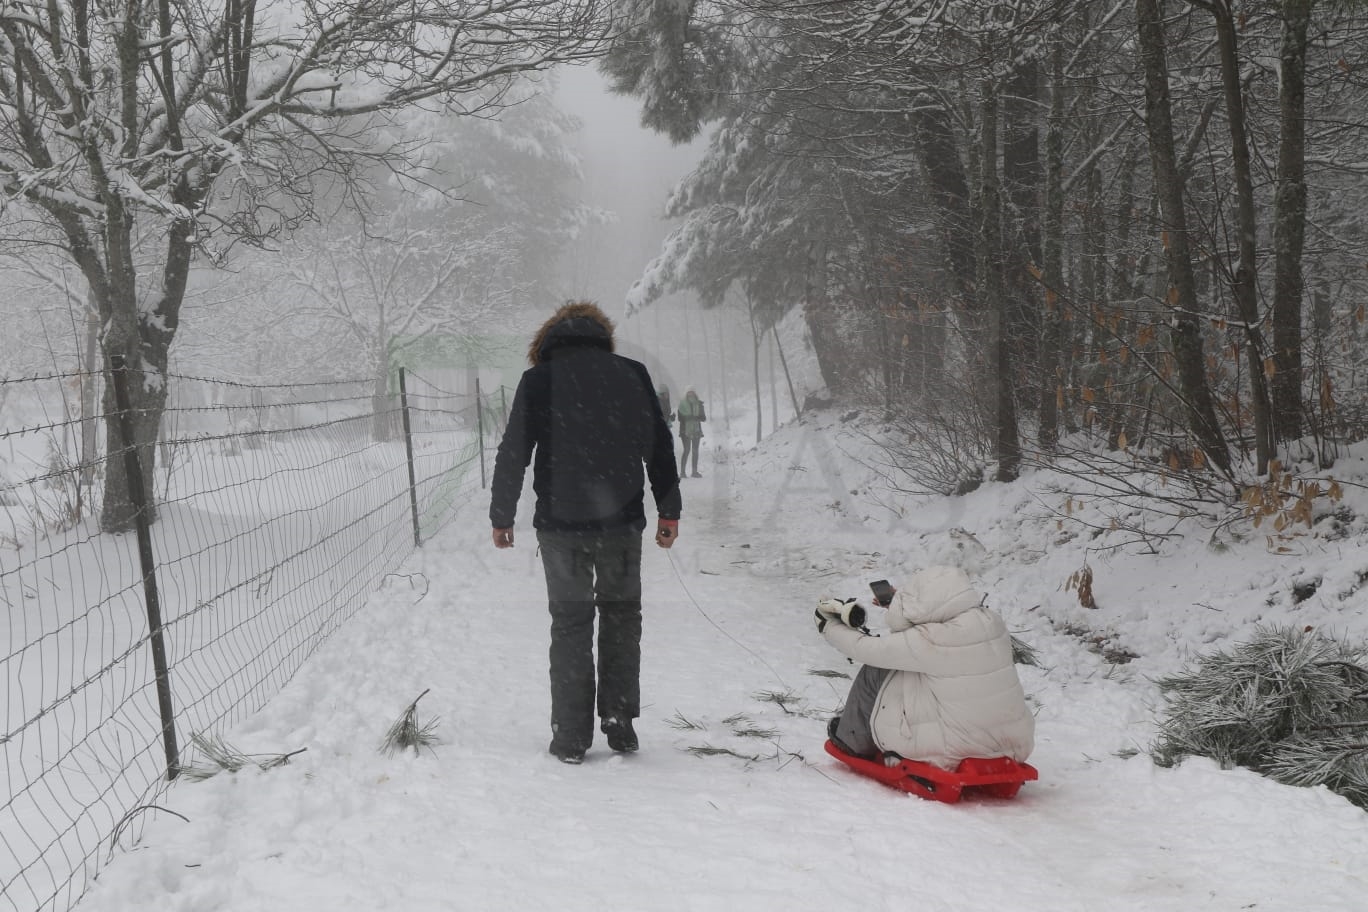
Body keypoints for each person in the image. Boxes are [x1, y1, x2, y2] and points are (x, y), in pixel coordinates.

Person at [490, 301, 682, 765]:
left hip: (561, 527)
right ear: (602, 337)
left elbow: (514, 449)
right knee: (621, 619)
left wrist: (502, 514)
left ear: (549, 340)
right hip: (620, 524)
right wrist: (669, 508)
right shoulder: (631, 373)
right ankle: (619, 723)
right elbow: (657, 443)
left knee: (571, 624)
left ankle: (571, 737)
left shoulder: (539, 379)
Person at [815, 565, 1034, 769]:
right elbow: (942, 618)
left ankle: (851, 739)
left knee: (881, 668)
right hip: (1015, 746)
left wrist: (828, 626)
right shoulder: (992, 621)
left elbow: (864, 648)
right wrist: (902, 605)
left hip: (954, 751)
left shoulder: (928, 638)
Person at [676, 387, 706, 478]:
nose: (690, 394)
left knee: (695, 451)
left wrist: (695, 418)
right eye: (689, 392)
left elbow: (703, 418)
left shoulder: (699, 404)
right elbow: (680, 418)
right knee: (687, 450)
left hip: (696, 430)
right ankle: (682, 472)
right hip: (685, 430)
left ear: (695, 393)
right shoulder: (682, 404)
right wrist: (688, 418)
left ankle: (694, 472)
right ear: (686, 393)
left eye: (692, 392)